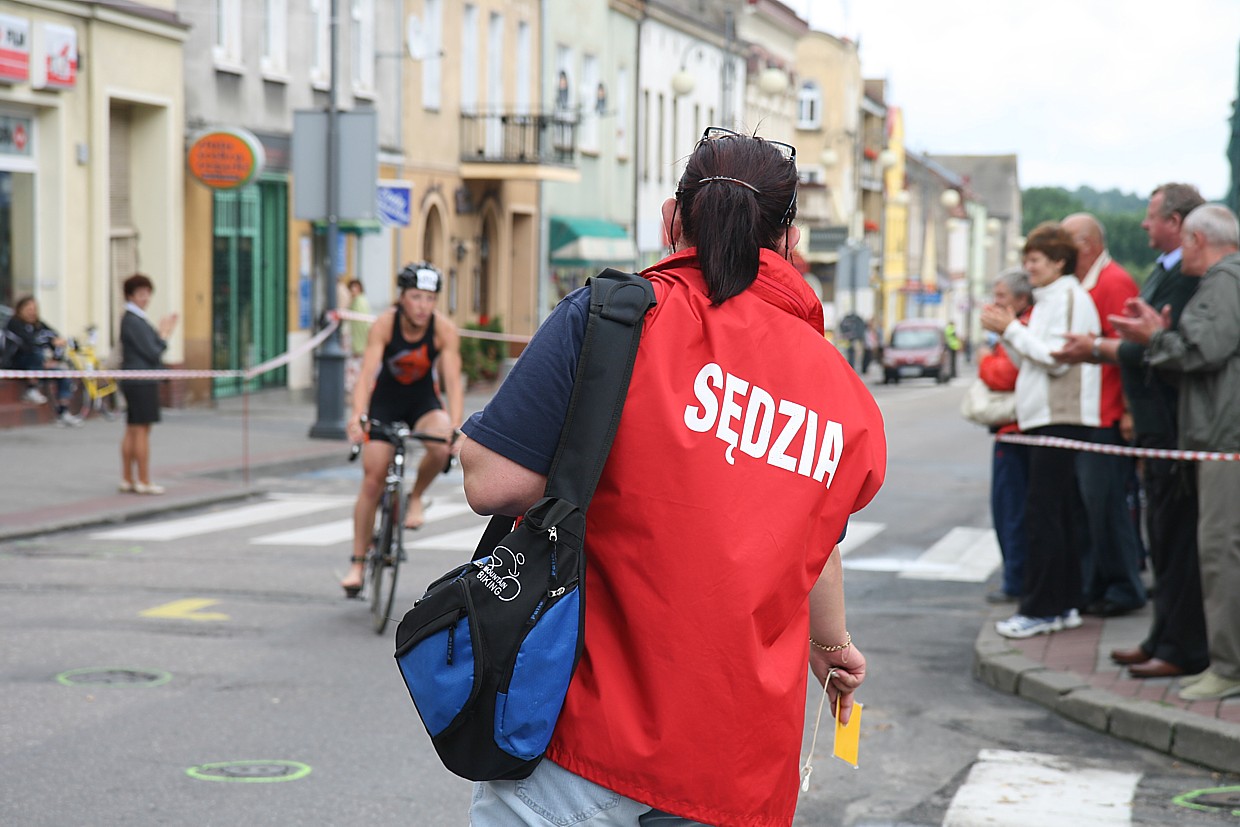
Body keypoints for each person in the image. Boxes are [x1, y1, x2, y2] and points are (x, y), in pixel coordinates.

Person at [459, 127, 887, 827]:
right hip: (738, 772)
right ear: (788, 241)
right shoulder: (841, 395)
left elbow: (490, 480)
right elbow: (819, 547)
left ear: (671, 219)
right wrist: (832, 647)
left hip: (580, 747)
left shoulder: (613, 318)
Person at [1056, 184, 1208, 679]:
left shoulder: (1186, 276)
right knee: (1160, 533)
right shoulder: (1165, 270)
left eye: (1152, 215)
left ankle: (1178, 643)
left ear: (1177, 222)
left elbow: (1166, 345)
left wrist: (1100, 350)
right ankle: (1161, 636)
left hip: (1167, 422)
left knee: (1170, 533)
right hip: (1152, 421)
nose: (1144, 224)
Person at [1110, 203, 1240, 701]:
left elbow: (1203, 349)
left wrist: (1154, 337)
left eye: (1184, 240)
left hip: (1223, 439)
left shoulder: (1224, 280)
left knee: (1219, 552)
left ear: (1197, 240)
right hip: (1219, 437)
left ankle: (1227, 667)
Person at [981, 222, 1101, 639]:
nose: (1028, 268)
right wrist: (1009, 333)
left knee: (1043, 517)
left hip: (1059, 416)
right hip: (1047, 415)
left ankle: (1040, 609)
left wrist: (1011, 329)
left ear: (1058, 262)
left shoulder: (1067, 296)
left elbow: (1056, 358)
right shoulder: (1053, 296)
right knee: (1059, 514)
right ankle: (1064, 604)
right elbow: (1033, 357)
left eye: (1035, 260)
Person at [340, 262, 463, 597]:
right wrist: (358, 415)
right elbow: (366, 375)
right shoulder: (385, 324)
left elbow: (453, 382)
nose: (423, 306)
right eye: (416, 297)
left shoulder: (443, 330)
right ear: (402, 297)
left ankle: (416, 496)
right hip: (385, 403)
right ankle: (357, 563)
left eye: (430, 298)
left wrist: (456, 425)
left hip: (422, 402)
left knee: (440, 443)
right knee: (373, 478)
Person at [1053, 213, 1144, 617]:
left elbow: (1130, 351)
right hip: (1091, 411)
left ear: (1087, 245)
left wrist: (1127, 408)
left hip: (1106, 413)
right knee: (1088, 506)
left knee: (1106, 507)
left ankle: (1124, 587)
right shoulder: (1090, 282)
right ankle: (1095, 585)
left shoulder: (1114, 282)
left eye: (1067, 240)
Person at [976, 268, 1034, 604]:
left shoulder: (1021, 328)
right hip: (1014, 431)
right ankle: (1016, 577)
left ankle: (1016, 580)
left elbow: (1006, 375)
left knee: (1011, 510)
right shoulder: (1017, 327)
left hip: (1017, 432)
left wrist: (984, 362)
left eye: (1001, 296)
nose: (994, 303)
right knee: (1008, 509)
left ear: (1021, 299)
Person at [118, 273, 179, 494]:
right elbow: (153, 351)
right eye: (141, 294)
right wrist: (164, 334)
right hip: (142, 380)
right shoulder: (134, 320)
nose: (145, 298)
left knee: (132, 428)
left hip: (134, 379)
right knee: (141, 429)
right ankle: (143, 480)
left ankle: (128, 479)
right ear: (130, 295)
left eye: (147, 293)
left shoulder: (134, 319)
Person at [4, 296, 81, 426]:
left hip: (38, 365)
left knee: (62, 373)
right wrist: (47, 344)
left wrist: (55, 358)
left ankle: (63, 412)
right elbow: (28, 344)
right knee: (36, 354)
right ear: (20, 310)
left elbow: (55, 337)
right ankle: (31, 389)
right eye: (29, 309)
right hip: (16, 363)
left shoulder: (39, 325)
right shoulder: (14, 324)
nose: (32, 312)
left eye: (34, 309)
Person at [344, 278, 371, 393]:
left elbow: (363, 324)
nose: (352, 291)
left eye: (354, 288)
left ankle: (357, 387)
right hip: (358, 339)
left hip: (359, 340)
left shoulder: (359, 302)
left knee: (358, 365)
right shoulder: (359, 301)